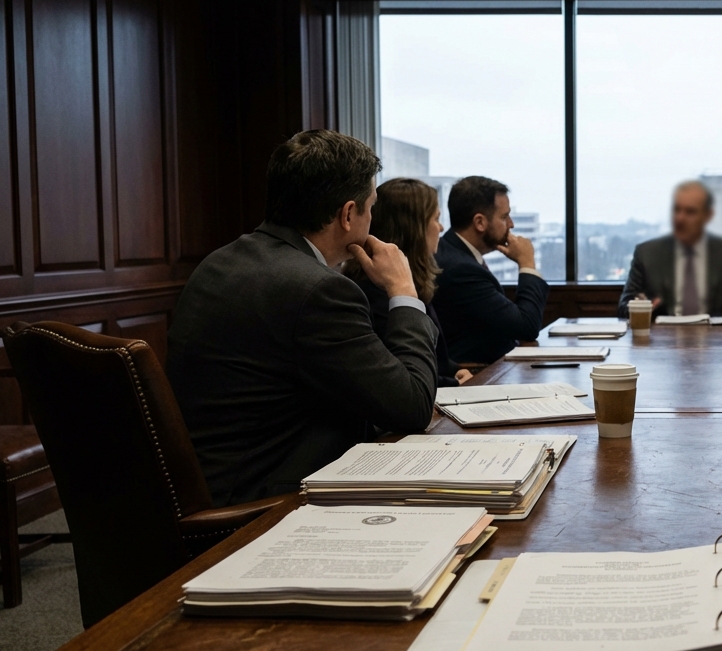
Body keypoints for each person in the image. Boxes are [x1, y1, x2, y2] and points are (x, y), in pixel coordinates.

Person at [166, 130, 437, 507]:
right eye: (370, 207)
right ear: (347, 214)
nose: (371, 218)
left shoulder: (220, 261)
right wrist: (404, 293)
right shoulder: (319, 290)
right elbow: (412, 407)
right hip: (262, 499)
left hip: (210, 482)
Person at [345, 178, 472, 388]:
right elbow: (397, 373)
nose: (440, 228)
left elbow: (435, 356)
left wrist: (456, 370)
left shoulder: (412, 278)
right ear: (414, 228)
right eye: (436, 219)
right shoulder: (375, 290)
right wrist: (453, 383)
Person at [431, 176, 550, 366]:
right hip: (476, 377)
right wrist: (527, 264)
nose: (511, 224)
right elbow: (527, 326)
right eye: (504, 217)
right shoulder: (461, 269)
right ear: (480, 222)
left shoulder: (459, 255)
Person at [617, 180, 722, 318]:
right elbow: (623, 307)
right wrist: (639, 308)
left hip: (716, 340)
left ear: (707, 215)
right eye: (677, 210)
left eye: (690, 212)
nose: (680, 218)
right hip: (662, 340)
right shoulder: (646, 254)